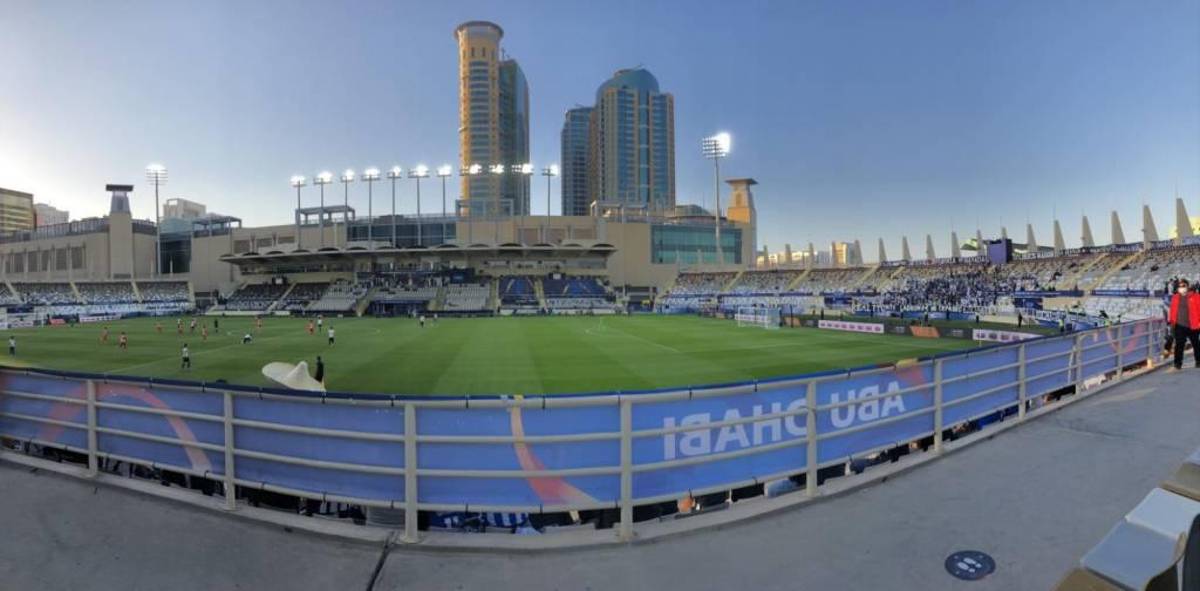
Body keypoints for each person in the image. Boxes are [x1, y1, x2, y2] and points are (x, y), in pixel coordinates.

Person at [1167, 278, 1200, 371]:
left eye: (1183, 286)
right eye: (1180, 286)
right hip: (1179, 325)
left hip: (1193, 325)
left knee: (1196, 344)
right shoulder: (1175, 297)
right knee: (1179, 345)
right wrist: (1171, 322)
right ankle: (1177, 364)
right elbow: (1172, 311)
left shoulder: (1195, 296)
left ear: (1187, 286)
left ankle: (1198, 361)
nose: (1181, 288)